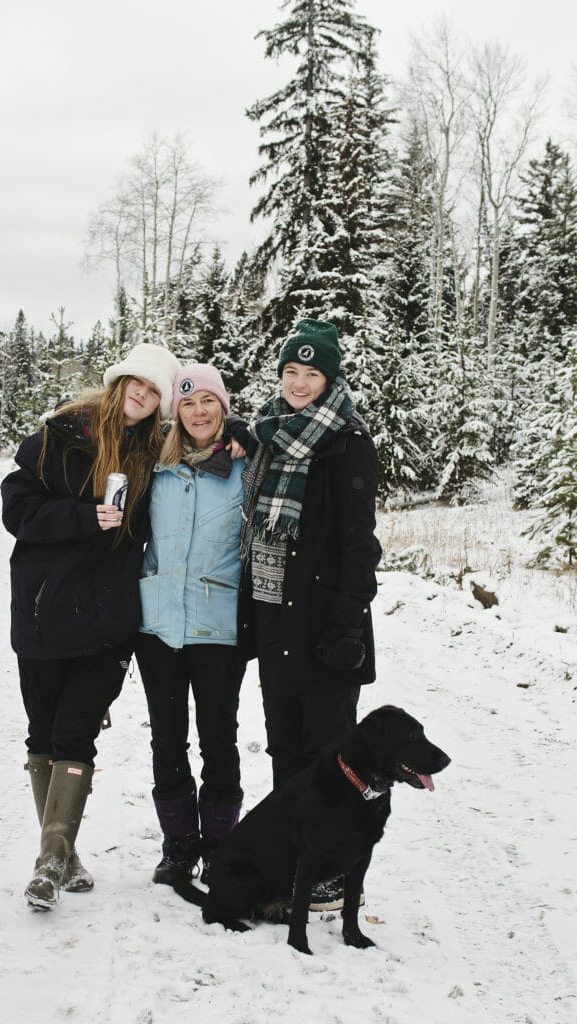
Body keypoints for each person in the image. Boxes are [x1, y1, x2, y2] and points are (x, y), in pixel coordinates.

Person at [1, 342, 181, 909]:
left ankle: (49, 862)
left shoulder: (158, 455)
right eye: (138, 383)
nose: (142, 396)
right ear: (120, 381)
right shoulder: (61, 435)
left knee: (76, 733)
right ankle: (64, 854)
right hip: (46, 610)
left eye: (154, 392)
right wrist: (80, 518)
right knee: (43, 733)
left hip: (109, 622)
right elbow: (15, 509)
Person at [238, 318, 380, 909]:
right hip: (275, 620)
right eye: (290, 372)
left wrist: (347, 621)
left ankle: (337, 874)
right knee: (285, 749)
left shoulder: (348, 443)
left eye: (311, 373)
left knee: (332, 759)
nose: (299, 383)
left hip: (324, 628)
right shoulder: (267, 435)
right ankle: (295, 862)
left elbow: (359, 543)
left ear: (329, 379)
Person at [135, 364, 246, 887]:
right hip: (157, 625)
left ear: (223, 407)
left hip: (217, 626)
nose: (199, 411)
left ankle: (222, 845)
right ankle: (179, 844)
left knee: (219, 739)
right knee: (166, 739)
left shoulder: (248, 466)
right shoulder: (155, 467)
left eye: (209, 401)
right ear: (174, 412)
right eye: (188, 402)